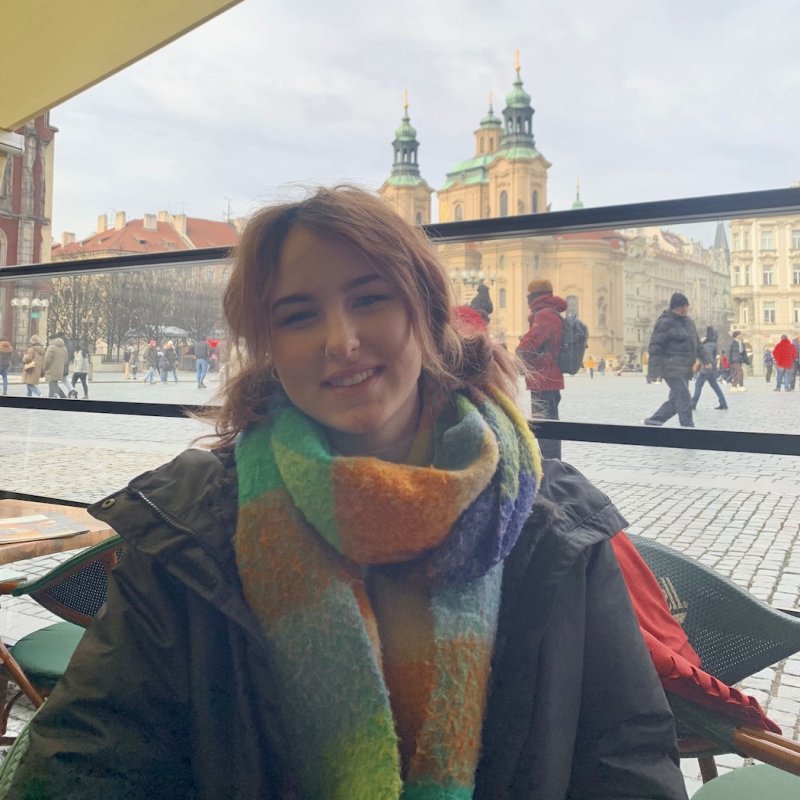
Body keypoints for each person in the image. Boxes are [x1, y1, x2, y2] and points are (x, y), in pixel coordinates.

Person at [3, 187, 687, 800]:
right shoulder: (196, 517)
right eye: (299, 316)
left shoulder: (550, 521)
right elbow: (94, 746)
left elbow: (623, 758)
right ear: (268, 342)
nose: (343, 340)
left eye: (369, 299)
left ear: (425, 308)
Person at [515, 278, 566, 459]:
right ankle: (552, 460)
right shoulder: (550, 312)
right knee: (548, 420)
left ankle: (552, 462)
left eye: (530, 296)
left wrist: (519, 348)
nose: (528, 300)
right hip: (549, 377)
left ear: (536, 296)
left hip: (544, 378)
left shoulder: (544, 315)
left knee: (545, 423)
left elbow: (531, 343)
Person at [644, 292, 703, 427]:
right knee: (684, 397)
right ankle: (687, 427)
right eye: (683, 307)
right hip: (669, 367)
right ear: (676, 307)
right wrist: (653, 372)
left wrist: (707, 359)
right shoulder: (665, 322)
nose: (686, 310)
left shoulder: (688, 322)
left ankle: (655, 420)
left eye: (686, 307)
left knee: (677, 399)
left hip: (685, 368)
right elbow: (655, 347)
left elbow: (697, 344)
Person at [691, 326, 727, 411]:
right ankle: (723, 403)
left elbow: (707, 355)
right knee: (715, 386)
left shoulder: (708, 344)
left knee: (698, 385)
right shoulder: (714, 343)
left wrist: (707, 364)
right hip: (711, 368)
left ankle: (693, 404)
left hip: (706, 368)